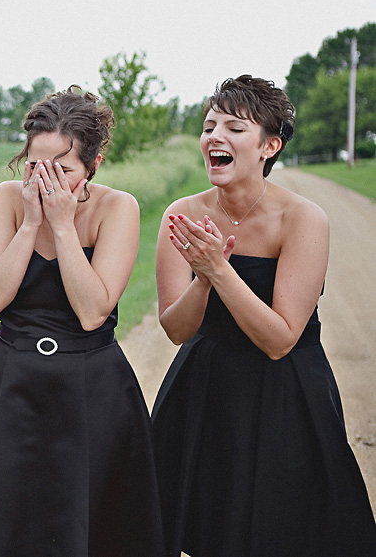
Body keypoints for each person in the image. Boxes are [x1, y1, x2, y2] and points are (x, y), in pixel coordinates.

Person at [0, 87, 164, 556]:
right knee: (1, 528)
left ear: (93, 165)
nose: (45, 180)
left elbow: (93, 311)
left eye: (63, 170)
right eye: (35, 165)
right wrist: (32, 224)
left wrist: (64, 226)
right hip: (11, 379)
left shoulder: (119, 208)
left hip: (90, 385)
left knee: (79, 528)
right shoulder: (9, 199)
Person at [151, 75, 376, 556]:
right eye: (209, 126)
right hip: (207, 388)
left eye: (234, 128)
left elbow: (280, 339)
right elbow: (175, 330)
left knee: (279, 530)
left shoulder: (302, 219)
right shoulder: (181, 213)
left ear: (269, 147)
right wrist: (203, 280)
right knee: (207, 529)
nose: (215, 137)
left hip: (284, 391)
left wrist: (218, 269)